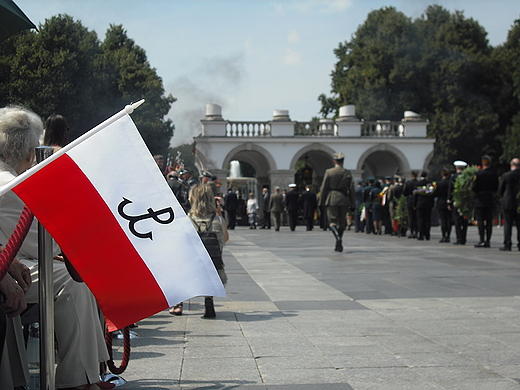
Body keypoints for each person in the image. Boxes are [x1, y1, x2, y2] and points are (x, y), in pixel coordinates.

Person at [0, 106, 110, 390]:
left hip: (11, 262)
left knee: (69, 276)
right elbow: (41, 247)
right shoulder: (12, 185)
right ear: (27, 152)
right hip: (12, 265)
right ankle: (79, 379)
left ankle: (89, 373)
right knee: (72, 284)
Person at [173, 184, 228, 318]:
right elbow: (225, 239)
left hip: (193, 267)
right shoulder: (218, 220)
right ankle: (209, 300)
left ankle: (178, 303)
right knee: (211, 271)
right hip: (214, 265)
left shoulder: (187, 220)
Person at [319, 152, 355, 252]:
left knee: (332, 222)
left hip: (332, 199)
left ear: (335, 161)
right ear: (343, 162)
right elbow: (351, 189)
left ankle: (338, 239)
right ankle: (339, 241)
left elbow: (324, 188)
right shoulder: (347, 172)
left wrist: (321, 202)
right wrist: (353, 202)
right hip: (344, 199)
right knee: (342, 222)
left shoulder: (329, 172)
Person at [472, 155, 499, 248]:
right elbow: (496, 187)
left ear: (483, 163)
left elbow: (474, 188)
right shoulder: (494, 174)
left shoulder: (478, 174)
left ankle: (481, 240)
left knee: (480, 221)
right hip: (489, 199)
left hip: (480, 199)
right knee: (489, 221)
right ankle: (488, 240)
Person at [498, 158, 520, 251]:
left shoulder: (507, 175)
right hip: (519, 203)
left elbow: (501, 189)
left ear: (512, 164)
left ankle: (507, 243)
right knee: (519, 225)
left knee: (508, 224)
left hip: (508, 202)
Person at [449, 160, 469, 245]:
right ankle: (464, 237)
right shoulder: (467, 177)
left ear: (456, 168)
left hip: (456, 201)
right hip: (466, 201)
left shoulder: (454, 177)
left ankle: (459, 238)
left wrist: (449, 201)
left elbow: (451, 190)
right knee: (464, 220)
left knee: (457, 220)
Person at [414, 171, 435, 241]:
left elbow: (415, 195)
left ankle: (421, 235)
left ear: (420, 176)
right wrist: (432, 204)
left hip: (419, 204)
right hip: (428, 204)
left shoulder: (417, 183)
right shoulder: (430, 183)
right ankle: (427, 235)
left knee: (420, 220)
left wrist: (414, 204)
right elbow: (432, 195)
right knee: (427, 220)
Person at [435, 168, 452, 243]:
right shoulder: (450, 182)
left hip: (441, 202)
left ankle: (444, 236)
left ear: (442, 174)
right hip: (449, 202)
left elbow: (436, 193)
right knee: (448, 220)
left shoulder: (439, 183)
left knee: (443, 220)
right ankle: (448, 235)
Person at [403, 170, 419, 239]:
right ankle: (417, 231)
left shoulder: (408, 183)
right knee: (417, 217)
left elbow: (404, 193)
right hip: (418, 201)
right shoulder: (418, 183)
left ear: (412, 175)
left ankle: (412, 231)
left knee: (411, 217)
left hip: (410, 200)